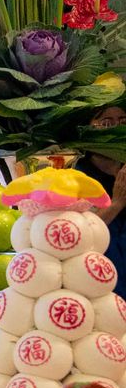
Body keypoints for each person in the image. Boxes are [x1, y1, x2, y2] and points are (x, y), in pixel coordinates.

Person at [78, 104, 126, 270]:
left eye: (123, 122)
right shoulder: (77, 176)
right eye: (106, 123)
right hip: (99, 272)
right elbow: (79, 233)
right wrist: (116, 203)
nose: (117, 129)